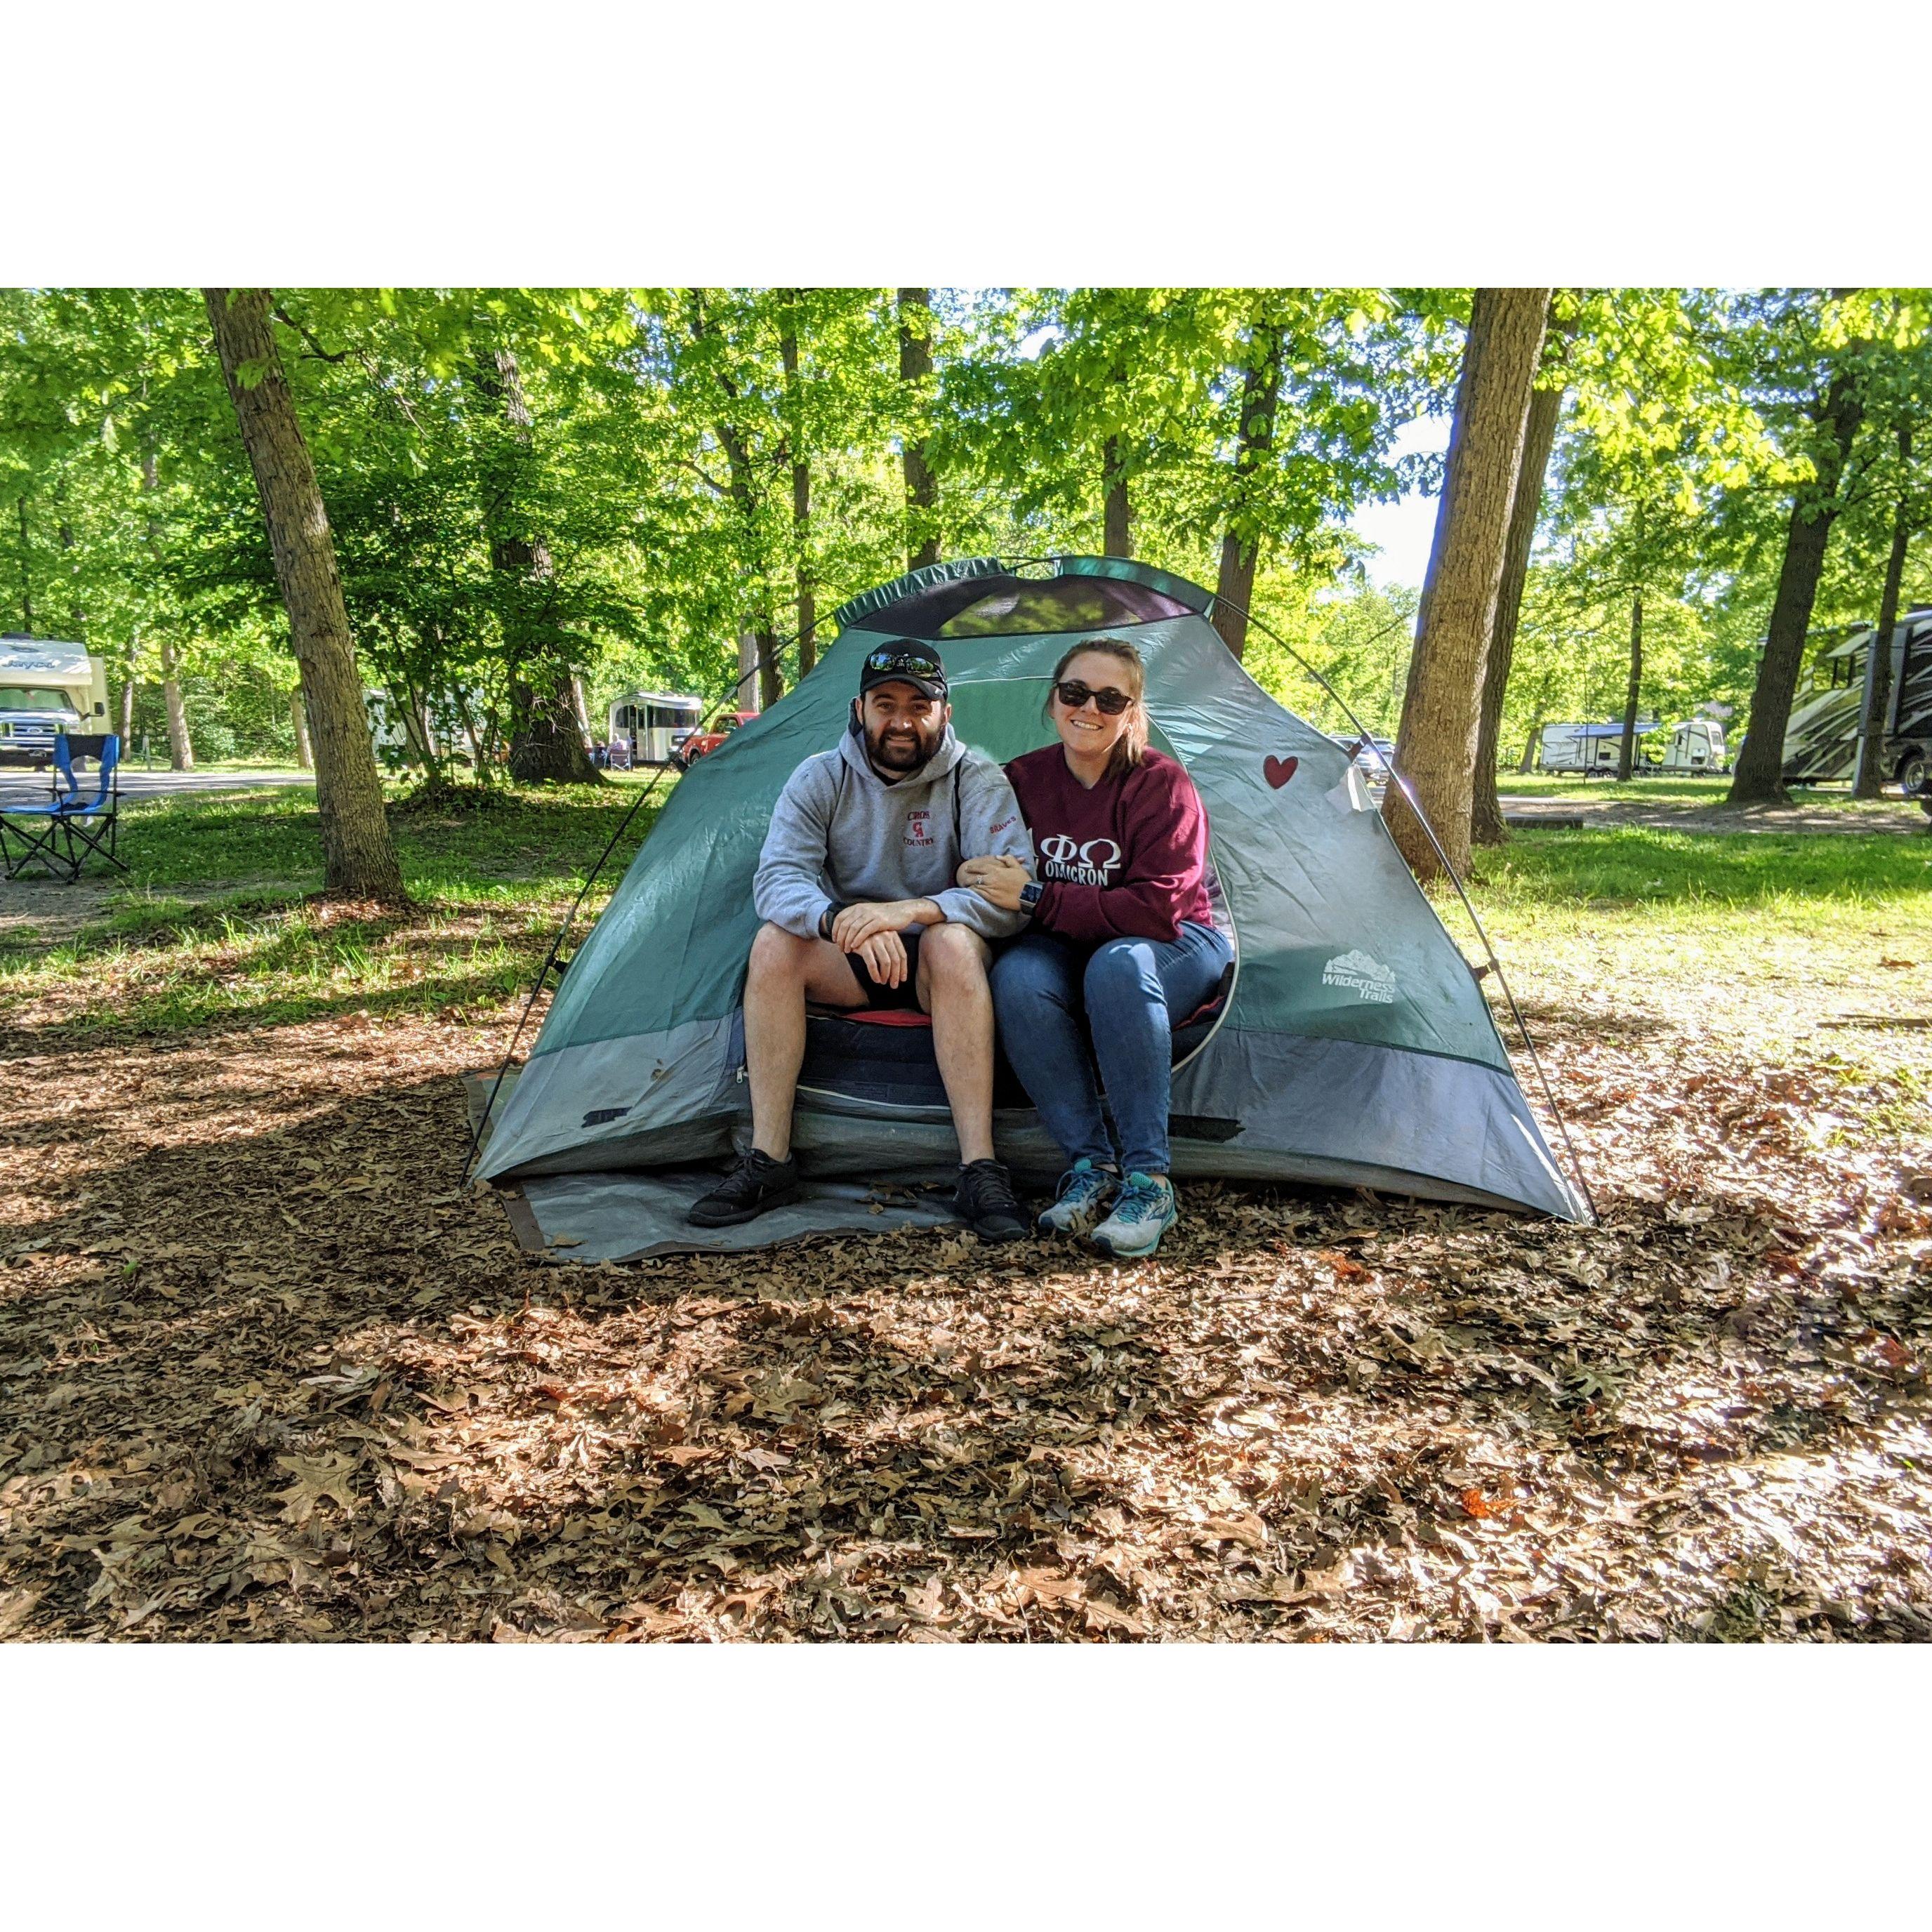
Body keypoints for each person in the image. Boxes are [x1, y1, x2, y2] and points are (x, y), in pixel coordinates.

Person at [689, 640, 1036, 1240]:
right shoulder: (820, 777)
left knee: (952, 942)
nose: (901, 721)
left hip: (935, 958)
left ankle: (980, 1168)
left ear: (945, 713)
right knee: (774, 944)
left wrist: (916, 911)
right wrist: (834, 920)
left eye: (919, 705)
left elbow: (1010, 897)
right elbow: (777, 878)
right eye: (885, 704)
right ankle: (771, 1160)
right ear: (859, 710)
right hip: (853, 957)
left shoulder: (977, 779)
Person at [959, 637, 1231, 1260]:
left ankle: (1148, 1181)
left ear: (1133, 712)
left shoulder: (1163, 785)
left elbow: (1156, 909)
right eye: (1075, 693)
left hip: (1176, 940)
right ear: (1053, 703)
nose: (1090, 709)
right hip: (1066, 940)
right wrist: (978, 876)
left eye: (1112, 698)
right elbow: (980, 865)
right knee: (1019, 978)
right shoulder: (1022, 779)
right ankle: (1090, 1167)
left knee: (1118, 965)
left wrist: (1034, 897)